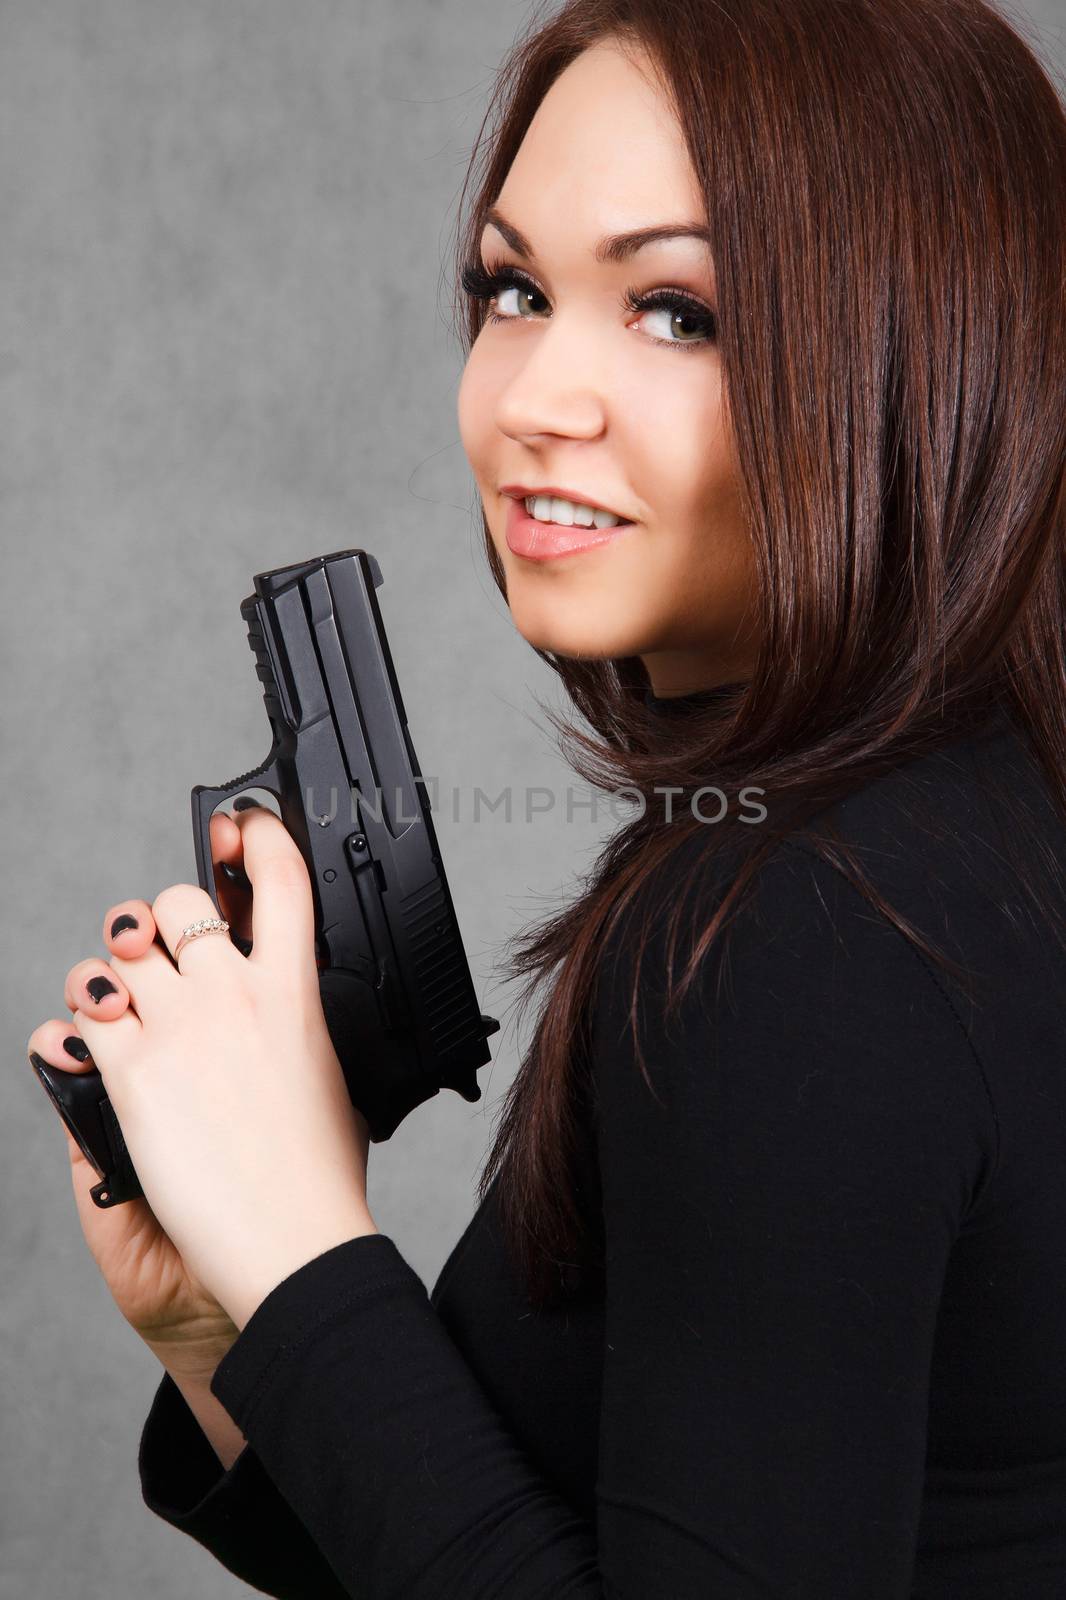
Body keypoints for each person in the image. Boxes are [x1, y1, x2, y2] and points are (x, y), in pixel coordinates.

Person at [26, 0, 1066, 1594]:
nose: (529, 399)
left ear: (920, 351)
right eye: (514, 290)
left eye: (674, 311)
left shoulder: (806, 932)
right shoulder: (943, 826)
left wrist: (306, 1249)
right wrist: (223, 1317)